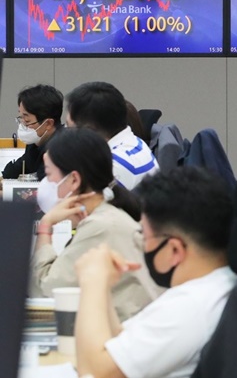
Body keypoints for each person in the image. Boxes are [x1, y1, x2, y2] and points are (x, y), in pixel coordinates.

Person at [74, 166, 237, 378]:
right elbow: (123, 344)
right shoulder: (218, 284)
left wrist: (92, 281)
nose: (142, 245)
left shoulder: (190, 307)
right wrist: (103, 287)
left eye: (144, 235)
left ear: (174, 250)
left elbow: (95, 373)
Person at [30, 128, 160, 321]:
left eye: (48, 174)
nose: (46, 182)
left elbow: (44, 290)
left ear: (74, 179)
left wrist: (45, 227)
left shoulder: (101, 226)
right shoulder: (105, 215)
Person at [65, 81, 159, 190]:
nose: (65, 133)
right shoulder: (135, 143)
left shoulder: (112, 168)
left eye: (69, 128)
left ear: (88, 132)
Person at [2, 84, 64, 180]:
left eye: (27, 121)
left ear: (48, 123)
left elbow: (45, 181)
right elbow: (14, 170)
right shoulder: (35, 144)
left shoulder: (62, 148)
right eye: (21, 118)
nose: (22, 125)